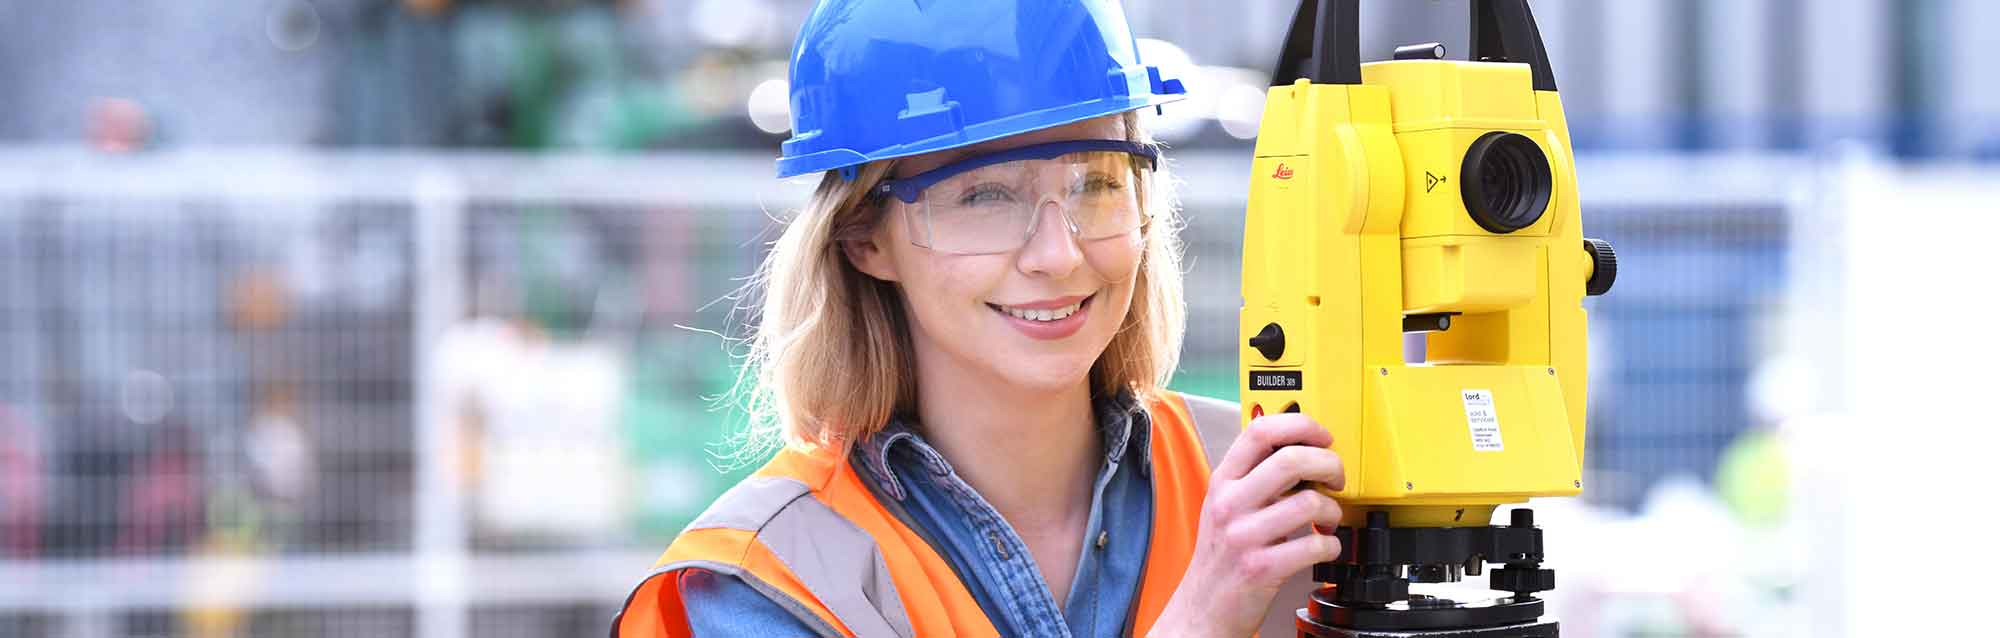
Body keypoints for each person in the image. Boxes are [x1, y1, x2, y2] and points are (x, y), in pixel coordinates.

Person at [614, 1, 1346, 636]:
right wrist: (1202, 619)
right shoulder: (773, 579)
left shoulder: (1281, 480)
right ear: (865, 239)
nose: (1059, 256)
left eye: (1096, 184)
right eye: (985, 197)